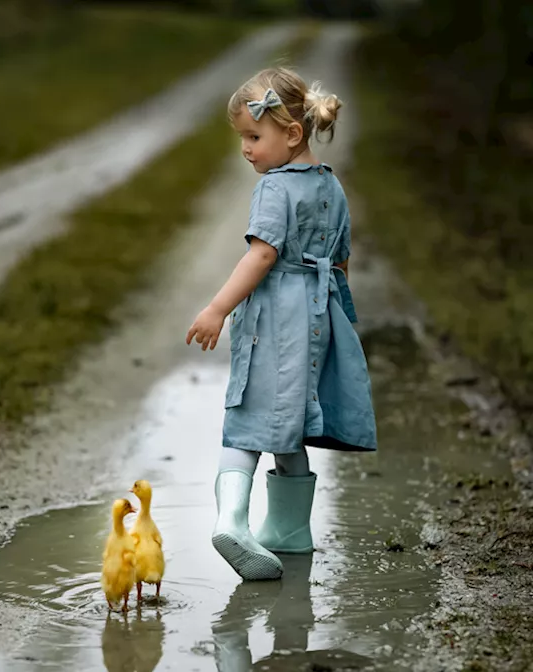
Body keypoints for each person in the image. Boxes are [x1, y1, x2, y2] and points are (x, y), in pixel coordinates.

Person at [186, 67, 377, 581]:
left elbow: (263, 255)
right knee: (288, 418)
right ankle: (291, 530)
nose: (246, 149)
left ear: (292, 134)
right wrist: (340, 327)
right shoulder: (331, 186)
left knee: (247, 413)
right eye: (243, 139)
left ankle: (231, 521)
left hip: (275, 317)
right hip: (316, 316)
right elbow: (340, 264)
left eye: (254, 136)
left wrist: (217, 307)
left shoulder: (275, 188)